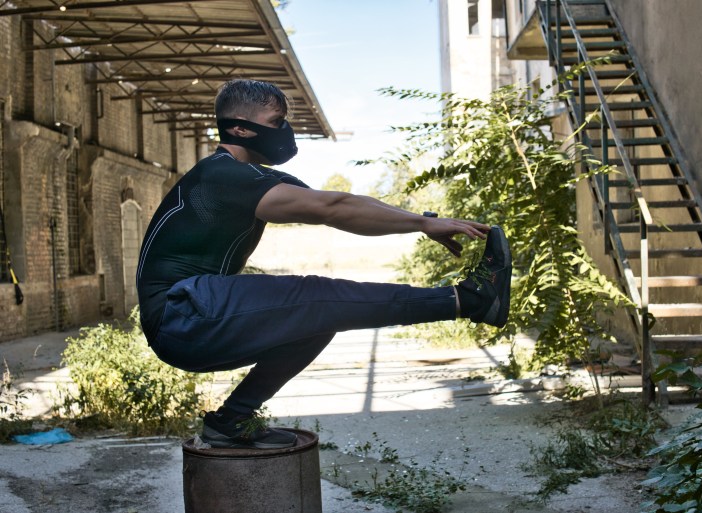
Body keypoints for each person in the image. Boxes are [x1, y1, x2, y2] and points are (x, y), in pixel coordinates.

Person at [136, 79, 512, 450]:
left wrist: (421, 219)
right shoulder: (222, 175)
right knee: (314, 295)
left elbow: (342, 204)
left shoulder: (254, 177)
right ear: (238, 127)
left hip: (190, 319)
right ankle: (469, 299)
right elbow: (332, 209)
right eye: (276, 121)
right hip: (179, 313)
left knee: (316, 320)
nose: (285, 131)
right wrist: (420, 223)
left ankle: (231, 421)